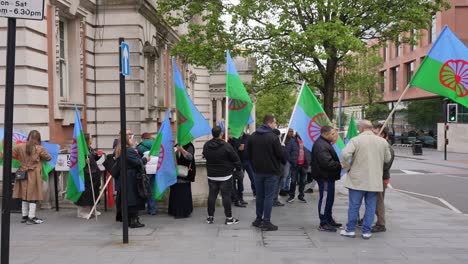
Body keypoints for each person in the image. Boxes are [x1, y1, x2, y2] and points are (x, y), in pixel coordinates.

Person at [340, 120, 391, 239]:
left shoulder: (356, 140)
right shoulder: (382, 141)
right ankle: (366, 231)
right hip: (374, 180)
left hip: (357, 179)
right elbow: (387, 158)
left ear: (361, 128)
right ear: (371, 128)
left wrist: (347, 168)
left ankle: (350, 230)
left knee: (354, 205)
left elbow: (345, 154)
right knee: (371, 206)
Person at [248, 115, 286, 231]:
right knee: (269, 197)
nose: (275, 125)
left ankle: (258, 219)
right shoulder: (273, 137)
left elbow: (248, 153)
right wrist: (283, 151)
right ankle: (266, 221)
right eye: (274, 123)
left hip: (257, 171)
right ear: (270, 123)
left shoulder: (253, 136)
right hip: (271, 171)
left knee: (260, 196)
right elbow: (281, 156)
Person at [12, 130, 52, 224]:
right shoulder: (39, 148)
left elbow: (11, 154)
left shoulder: (19, 146)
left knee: (24, 194)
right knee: (33, 195)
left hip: (22, 172)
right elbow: (49, 157)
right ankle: (31, 217)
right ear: (38, 139)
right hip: (33, 174)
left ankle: (24, 216)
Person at [203, 126, 241, 225]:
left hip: (212, 175)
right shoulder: (226, 145)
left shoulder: (206, 145)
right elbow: (235, 158)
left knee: (212, 195)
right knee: (226, 196)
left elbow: (205, 155)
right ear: (221, 134)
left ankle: (210, 217)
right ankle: (229, 218)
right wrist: (238, 168)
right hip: (225, 175)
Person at [310, 126, 342, 232]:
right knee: (325, 199)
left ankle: (329, 219)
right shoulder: (321, 145)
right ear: (326, 134)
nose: (335, 136)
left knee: (329, 199)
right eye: (333, 134)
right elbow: (326, 163)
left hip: (328, 176)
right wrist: (340, 164)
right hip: (324, 176)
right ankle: (323, 223)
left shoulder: (324, 143)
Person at [114, 131, 148, 228]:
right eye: (131, 138)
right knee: (133, 199)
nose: (132, 139)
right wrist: (146, 159)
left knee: (130, 198)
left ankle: (130, 220)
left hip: (127, 176)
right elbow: (137, 162)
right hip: (131, 178)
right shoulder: (128, 150)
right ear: (127, 140)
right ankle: (133, 220)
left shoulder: (124, 149)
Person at [372, 124, 395, 233]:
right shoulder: (377, 145)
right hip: (375, 177)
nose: (373, 136)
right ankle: (369, 218)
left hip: (381, 178)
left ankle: (381, 223)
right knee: (373, 199)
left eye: (375, 133)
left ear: (382, 134)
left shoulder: (387, 148)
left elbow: (386, 165)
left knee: (379, 200)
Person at [75, 133, 102, 218]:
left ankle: (92, 209)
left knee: (93, 192)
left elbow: (93, 157)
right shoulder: (81, 149)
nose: (92, 139)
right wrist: (84, 160)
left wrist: (98, 155)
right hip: (86, 175)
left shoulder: (89, 148)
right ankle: (82, 212)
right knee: (85, 194)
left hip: (93, 174)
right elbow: (78, 161)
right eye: (91, 138)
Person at [168, 143, 196, 218]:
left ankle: (183, 212)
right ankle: (174, 211)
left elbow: (190, 157)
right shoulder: (175, 145)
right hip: (175, 174)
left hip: (185, 174)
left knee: (183, 192)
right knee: (175, 192)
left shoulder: (189, 146)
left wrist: (182, 150)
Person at [136, 132, 157, 215]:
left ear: (143, 138)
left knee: (143, 189)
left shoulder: (140, 146)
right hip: (155, 171)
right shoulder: (156, 144)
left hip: (146, 171)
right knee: (152, 189)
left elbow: (137, 158)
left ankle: (141, 207)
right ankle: (152, 209)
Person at [286, 134, 309, 203]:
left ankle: (301, 196)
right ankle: (291, 196)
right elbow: (287, 152)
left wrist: (309, 161)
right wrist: (292, 161)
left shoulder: (306, 141)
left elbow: (309, 152)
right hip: (295, 165)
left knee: (303, 181)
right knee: (293, 181)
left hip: (304, 165)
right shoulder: (292, 141)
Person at [228, 132, 247, 207]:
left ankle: (239, 198)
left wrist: (233, 139)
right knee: (232, 183)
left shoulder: (234, 139)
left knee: (240, 180)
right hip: (230, 165)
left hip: (237, 164)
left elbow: (238, 147)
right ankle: (236, 199)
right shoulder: (225, 141)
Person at [239, 132, 256, 196]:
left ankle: (255, 191)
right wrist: (238, 148)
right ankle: (240, 193)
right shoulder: (235, 137)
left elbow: (253, 146)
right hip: (240, 161)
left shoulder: (248, 137)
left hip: (249, 160)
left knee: (253, 177)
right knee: (240, 178)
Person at [272, 128, 285, 207]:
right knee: (276, 184)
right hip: (277, 167)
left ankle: (274, 199)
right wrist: (282, 148)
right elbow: (280, 155)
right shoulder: (274, 143)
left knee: (278, 183)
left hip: (279, 167)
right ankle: (274, 199)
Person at [279, 128, 294, 196]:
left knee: (289, 176)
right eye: (290, 131)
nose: (291, 133)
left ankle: (287, 188)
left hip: (292, 159)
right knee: (285, 175)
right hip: (286, 159)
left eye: (292, 132)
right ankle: (282, 189)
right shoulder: (283, 138)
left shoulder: (293, 139)